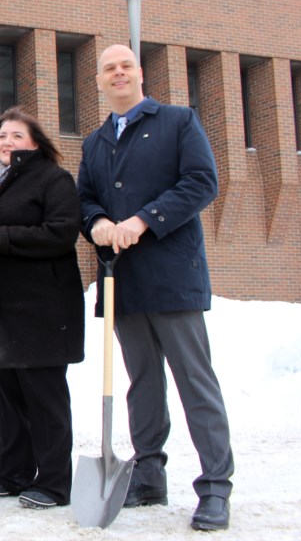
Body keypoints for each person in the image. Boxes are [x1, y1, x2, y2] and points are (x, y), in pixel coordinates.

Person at [76, 44, 234, 531]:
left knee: (194, 382)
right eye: (109, 69)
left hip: (173, 278)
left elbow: (202, 182)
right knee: (142, 382)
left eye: (125, 66)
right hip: (124, 284)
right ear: (99, 82)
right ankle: (149, 474)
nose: (118, 73)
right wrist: (98, 222)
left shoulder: (178, 121)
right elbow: (85, 199)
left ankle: (215, 488)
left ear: (139, 75)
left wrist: (145, 220)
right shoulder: (95, 142)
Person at [0, 106, 84, 510]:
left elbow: (61, 234)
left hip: (41, 310)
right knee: (6, 398)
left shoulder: (53, 179)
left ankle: (55, 482)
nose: (6, 143)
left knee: (44, 400)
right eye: (2, 136)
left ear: (35, 143)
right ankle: (13, 472)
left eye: (15, 136)